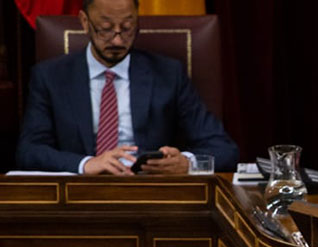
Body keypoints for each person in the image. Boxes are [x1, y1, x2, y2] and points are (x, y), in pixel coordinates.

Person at [15, 0, 238, 175]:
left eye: (128, 28)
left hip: (149, 193)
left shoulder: (168, 74)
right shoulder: (50, 77)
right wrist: (86, 164)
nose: (118, 40)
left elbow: (224, 149)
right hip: (80, 196)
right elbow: (29, 151)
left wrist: (187, 163)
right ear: (84, 22)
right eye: (106, 29)